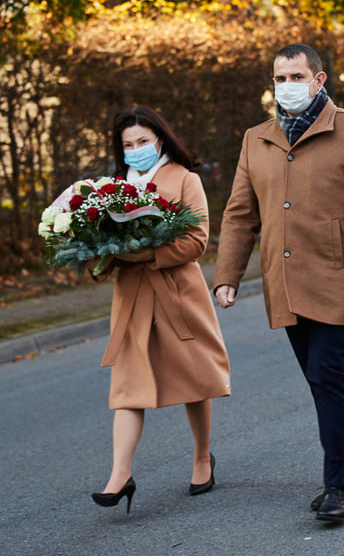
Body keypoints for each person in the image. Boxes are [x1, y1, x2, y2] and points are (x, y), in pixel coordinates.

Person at [214, 44, 344, 523]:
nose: (286, 86)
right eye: (279, 78)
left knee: (326, 375)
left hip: (339, 278)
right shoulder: (257, 138)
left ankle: (336, 485)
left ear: (319, 80)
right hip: (285, 280)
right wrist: (227, 276)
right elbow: (238, 214)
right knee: (320, 381)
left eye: (296, 76)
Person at [91, 106, 231, 513]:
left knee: (194, 377)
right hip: (132, 297)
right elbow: (96, 248)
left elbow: (197, 241)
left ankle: (202, 456)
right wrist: (101, 254)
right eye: (127, 145)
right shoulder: (110, 188)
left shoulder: (185, 179)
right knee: (128, 385)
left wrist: (147, 253)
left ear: (160, 141)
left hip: (176, 290)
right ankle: (120, 474)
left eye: (142, 142)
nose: (135, 150)